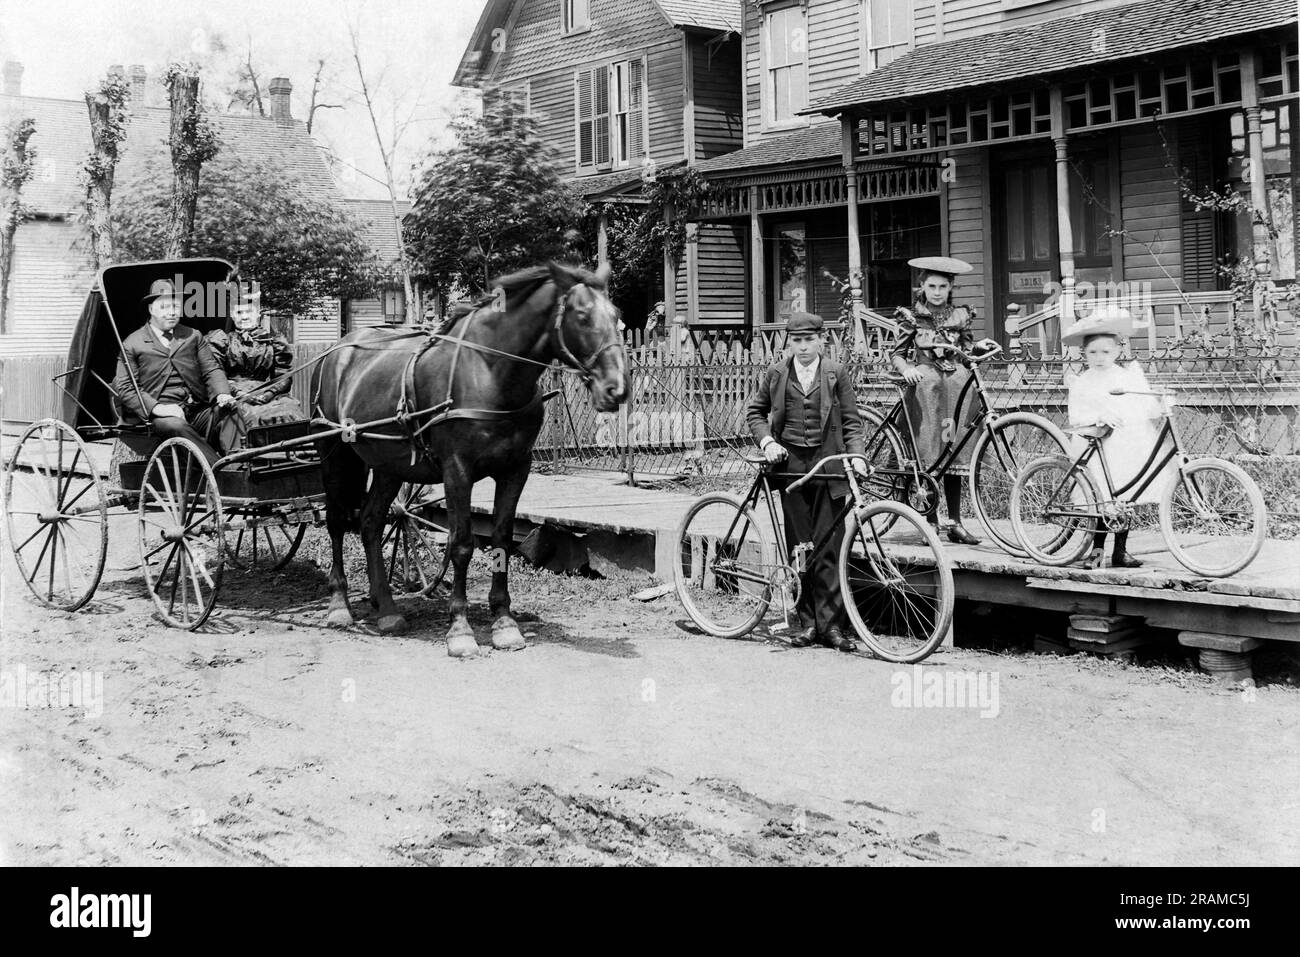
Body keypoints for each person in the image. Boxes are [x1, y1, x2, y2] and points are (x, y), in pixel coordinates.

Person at [745, 312, 867, 652]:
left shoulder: (835, 373)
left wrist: (855, 455)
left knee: (830, 547)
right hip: (791, 467)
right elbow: (756, 413)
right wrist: (768, 442)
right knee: (800, 548)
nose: (803, 347)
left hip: (829, 466)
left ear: (821, 340)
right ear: (789, 342)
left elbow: (852, 421)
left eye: (809, 340)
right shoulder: (777, 373)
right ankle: (807, 622)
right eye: (796, 341)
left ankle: (832, 628)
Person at [890, 256, 998, 545]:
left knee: (954, 450)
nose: (937, 292)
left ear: (950, 288)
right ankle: (931, 520)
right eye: (932, 286)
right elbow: (897, 354)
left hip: (954, 393)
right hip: (927, 391)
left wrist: (977, 345)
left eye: (943, 286)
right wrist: (908, 369)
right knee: (932, 450)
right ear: (922, 287)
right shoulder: (912, 317)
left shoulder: (959, 316)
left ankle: (956, 522)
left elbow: (965, 347)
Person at [1063, 307, 1172, 569]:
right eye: (1092, 352)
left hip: (1124, 443)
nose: (1099, 358)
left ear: (1116, 352)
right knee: (1102, 495)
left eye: (1106, 352)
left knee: (1126, 493)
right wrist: (1100, 416)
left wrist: (1158, 400)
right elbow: (1078, 413)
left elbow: (1140, 404)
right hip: (1098, 444)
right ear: (1084, 353)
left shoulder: (1125, 376)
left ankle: (1120, 550)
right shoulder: (1083, 381)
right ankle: (1097, 549)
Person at [113, 278, 234, 467]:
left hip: (195, 410)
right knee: (175, 425)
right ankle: (221, 473)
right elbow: (126, 387)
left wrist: (222, 393)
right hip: (157, 416)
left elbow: (211, 368)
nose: (172, 312)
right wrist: (159, 409)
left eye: (176, 306)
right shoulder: (132, 343)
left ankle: (241, 465)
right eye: (164, 307)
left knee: (230, 411)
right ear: (151, 309)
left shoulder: (193, 336)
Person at [205, 288, 302, 451]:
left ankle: (293, 458)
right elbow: (215, 374)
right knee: (250, 415)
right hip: (232, 397)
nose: (244, 316)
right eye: (239, 312)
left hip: (265, 394)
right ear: (233, 315)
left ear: (258, 314)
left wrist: (268, 394)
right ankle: (252, 460)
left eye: (249, 311)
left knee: (290, 409)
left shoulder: (273, 343)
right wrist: (239, 394)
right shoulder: (221, 341)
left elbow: (283, 376)